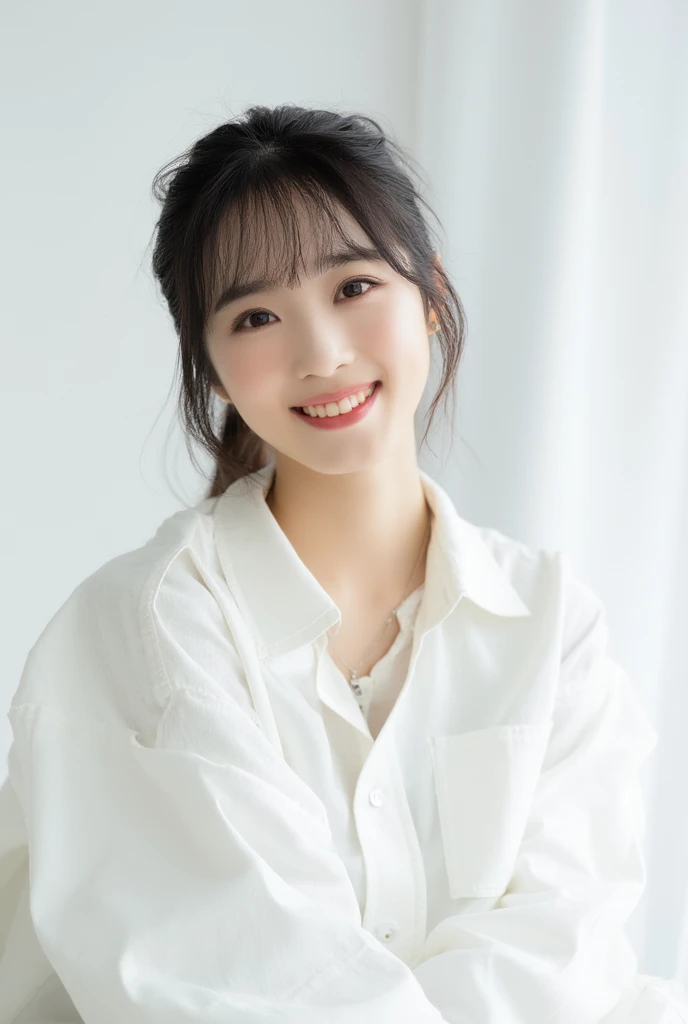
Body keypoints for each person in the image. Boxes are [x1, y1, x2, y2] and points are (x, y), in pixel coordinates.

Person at [1, 103, 687, 1023]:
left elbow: (567, 952)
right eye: (254, 316)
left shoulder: (552, 623)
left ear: (431, 295)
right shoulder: (143, 628)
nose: (321, 353)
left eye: (354, 287)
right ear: (207, 365)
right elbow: (232, 982)